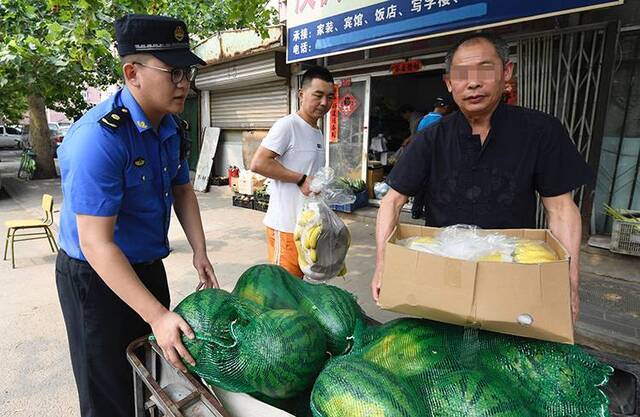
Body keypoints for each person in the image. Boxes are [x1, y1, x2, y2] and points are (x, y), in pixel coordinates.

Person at [56, 14, 219, 417]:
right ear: (132, 73)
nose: (185, 82)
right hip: (95, 278)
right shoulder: (98, 139)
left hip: (146, 265)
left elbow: (182, 188)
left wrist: (200, 251)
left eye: (189, 71)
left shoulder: (170, 127)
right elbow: (96, 243)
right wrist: (158, 315)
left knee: (151, 375)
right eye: (174, 72)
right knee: (108, 391)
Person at [370, 32, 592, 323]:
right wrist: (384, 264)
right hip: (443, 274)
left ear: (506, 73)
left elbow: (561, 209)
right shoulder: (431, 138)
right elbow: (392, 201)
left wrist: (569, 281)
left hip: (513, 276)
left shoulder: (541, 132)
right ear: (450, 84)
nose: (473, 82)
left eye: (485, 70)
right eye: (462, 74)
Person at [250, 66, 335, 277]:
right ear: (301, 95)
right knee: (284, 293)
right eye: (318, 95)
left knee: (300, 291)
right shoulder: (287, 126)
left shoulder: (316, 131)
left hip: (307, 228)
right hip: (286, 227)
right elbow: (259, 163)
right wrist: (302, 179)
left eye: (330, 97)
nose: (324, 103)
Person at [412, 97, 454, 219]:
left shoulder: (423, 119)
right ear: (444, 107)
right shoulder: (442, 121)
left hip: (421, 156)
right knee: (432, 187)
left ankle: (416, 211)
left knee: (421, 185)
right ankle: (429, 212)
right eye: (446, 108)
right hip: (435, 158)